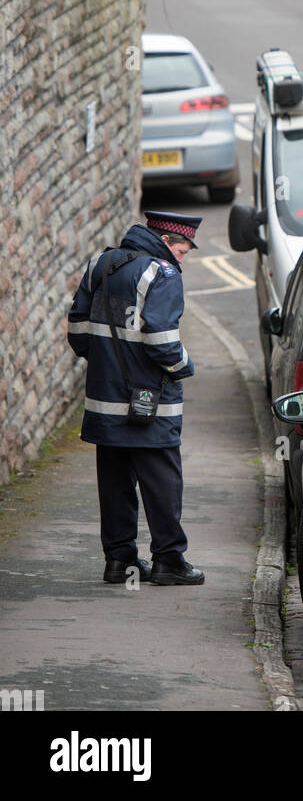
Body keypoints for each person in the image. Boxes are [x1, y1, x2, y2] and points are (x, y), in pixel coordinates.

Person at [67, 210, 205, 586]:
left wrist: (107, 363)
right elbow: (161, 338)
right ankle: (169, 561)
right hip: (150, 402)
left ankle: (120, 561)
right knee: (162, 481)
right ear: (164, 241)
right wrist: (184, 367)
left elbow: (78, 328)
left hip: (103, 398)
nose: (182, 258)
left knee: (114, 482)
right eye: (181, 249)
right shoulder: (162, 273)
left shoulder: (101, 264)